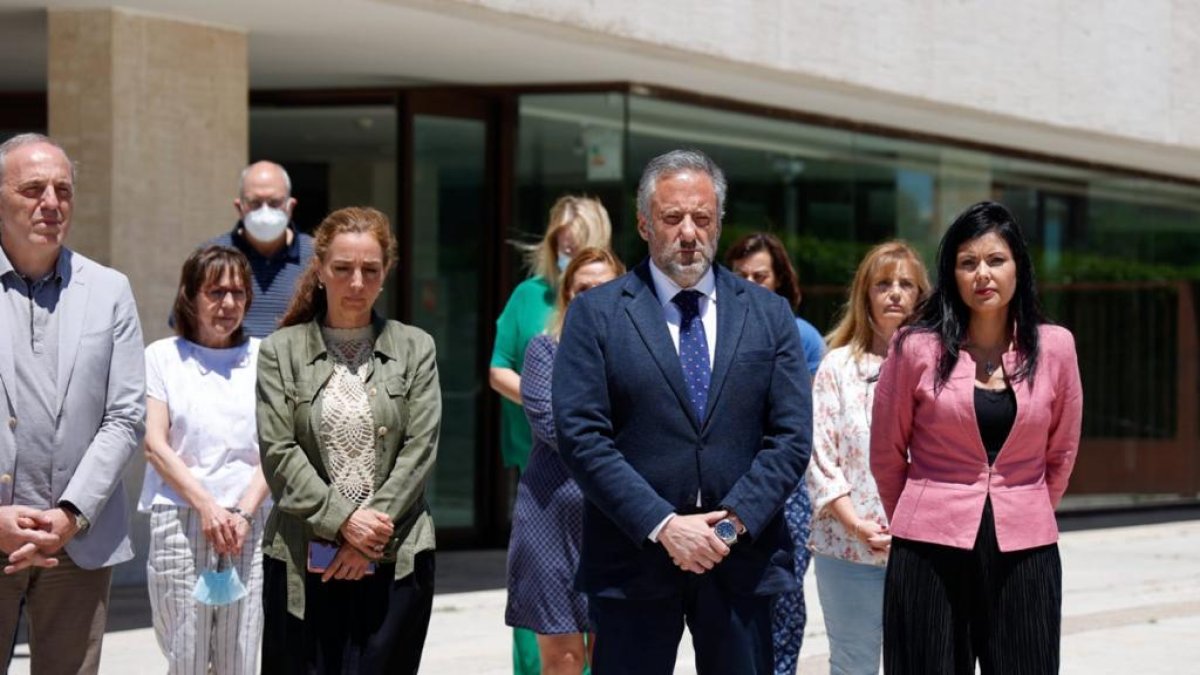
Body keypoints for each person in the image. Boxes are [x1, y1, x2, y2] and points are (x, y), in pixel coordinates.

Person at [554, 149, 812, 674]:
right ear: (645, 223)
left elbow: (790, 437)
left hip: (739, 560)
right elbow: (581, 436)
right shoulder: (596, 315)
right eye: (673, 218)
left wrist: (727, 528)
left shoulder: (768, 313)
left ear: (718, 221)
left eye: (703, 217)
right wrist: (663, 524)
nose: (689, 232)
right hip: (634, 559)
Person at [870, 201, 1083, 673]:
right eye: (968, 263)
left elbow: (1062, 451)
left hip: (1025, 549)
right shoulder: (914, 347)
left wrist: (1027, 508)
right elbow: (886, 453)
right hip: (929, 545)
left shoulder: (1057, 348)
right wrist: (918, 517)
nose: (982, 274)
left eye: (995, 260)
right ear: (952, 273)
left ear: (1018, 268)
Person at [256, 206, 441, 674]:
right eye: (342, 269)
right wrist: (344, 522)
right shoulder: (281, 350)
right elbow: (278, 454)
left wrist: (366, 539)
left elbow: (419, 451)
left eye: (369, 270)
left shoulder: (415, 347)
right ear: (319, 270)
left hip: (395, 557)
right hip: (302, 559)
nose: (356, 282)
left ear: (386, 273)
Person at [0, 133, 145, 673]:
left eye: (63, 189)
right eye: (32, 188)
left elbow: (126, 415)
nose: (51, 203)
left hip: (78, 545)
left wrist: (70, 514)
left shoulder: (109, 290)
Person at [488, 195, 611, 675]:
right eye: (559, 242)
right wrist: (552, 401)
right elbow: (501, 368)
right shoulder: (530, 300)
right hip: (544, 466)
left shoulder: (617, 300)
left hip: (605, 491)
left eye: (574, 242)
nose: (565, 250)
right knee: (546, 633)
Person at [141, 245, 271, 674]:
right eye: (215, 292)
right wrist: (208, 507)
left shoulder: (266, 358)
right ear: (190, 295)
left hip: (248, 523)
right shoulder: (163, 357)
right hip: (181, 519)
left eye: (238, 292)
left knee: (240, 655)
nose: (228, 304)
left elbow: (277, 445)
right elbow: (155, 445)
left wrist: (243, 513)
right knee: (188, 655)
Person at [806, 241, 929, 675]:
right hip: (847, 548)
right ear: (865, 295)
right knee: (853, 665)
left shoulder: (941, 367)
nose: (894, 293)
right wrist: (856, 524)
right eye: (883, 284)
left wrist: (909, 529)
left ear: (921, 296)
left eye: (905, 284)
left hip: (922, 550)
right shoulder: (835, 367)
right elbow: (821, 460)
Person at [726, 231, 824, 675]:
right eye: (741, 275)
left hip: (785, 490)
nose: (750, 283)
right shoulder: (713, 331)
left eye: (760, 276)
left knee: (783, 600)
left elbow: (797, 421)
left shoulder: (801, 336)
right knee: (733, 608)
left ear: (780, 280)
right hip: (728, 488)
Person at [200, 160, 314, 337]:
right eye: (255, 203)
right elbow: (185, 321)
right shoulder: (210, 255)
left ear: (290, 206)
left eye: (275, 202)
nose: (265, 211)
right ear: (239, 207)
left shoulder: (317, 256)